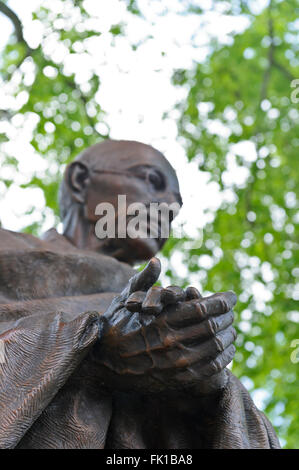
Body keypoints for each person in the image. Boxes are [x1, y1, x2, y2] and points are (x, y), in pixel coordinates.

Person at [0, 140, 280, 448]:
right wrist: (94, 349)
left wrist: (206, 385)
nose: (168, 209)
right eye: (153, 181)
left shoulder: (158, 312)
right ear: (81, 182)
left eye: (175, 208)